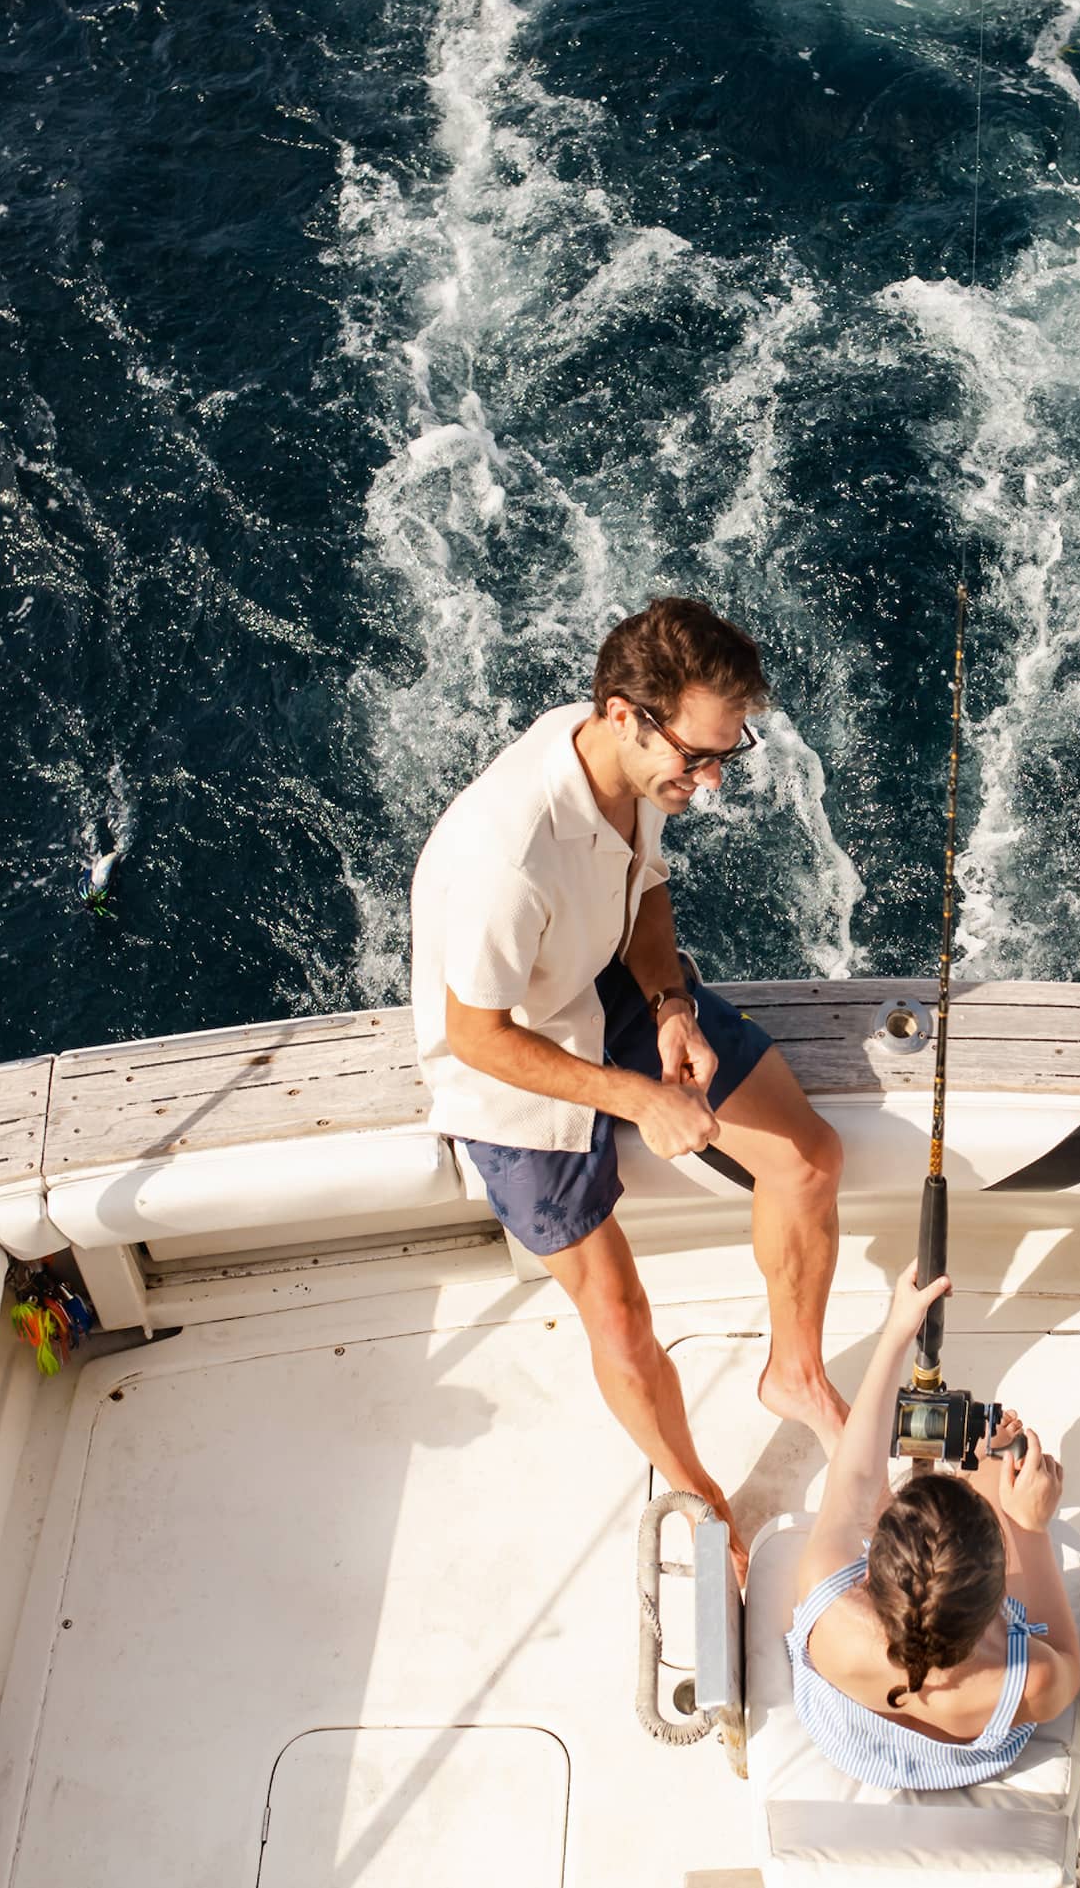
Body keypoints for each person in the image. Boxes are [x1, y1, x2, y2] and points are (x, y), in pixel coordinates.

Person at [410, 597, 848, 1557]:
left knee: (809, 1160)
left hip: (598, 976)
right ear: (624, 715)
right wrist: (640, 1096)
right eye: (697, 757)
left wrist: (670, 1006)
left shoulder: (633, 769)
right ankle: (704, 1499)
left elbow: (643, 888)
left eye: (726, 755)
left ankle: (796, 1374)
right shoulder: (508, 854)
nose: (711, 780)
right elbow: (475, 1035)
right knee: (616, 1311)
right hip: (509, 1060)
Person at [786, 1263, 1080, 1789]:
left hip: (847, 1738)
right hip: (962, 1754)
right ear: (997, 1602)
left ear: (870, 1571)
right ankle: (987, 1469)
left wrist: (897, 1331)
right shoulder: (1026, 1679)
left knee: (970, 1473)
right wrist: (1030, 1527)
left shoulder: (828, 1604)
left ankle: (973, 1474)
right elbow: (1069, 1662)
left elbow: (854, 1475)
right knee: (999, 1469)